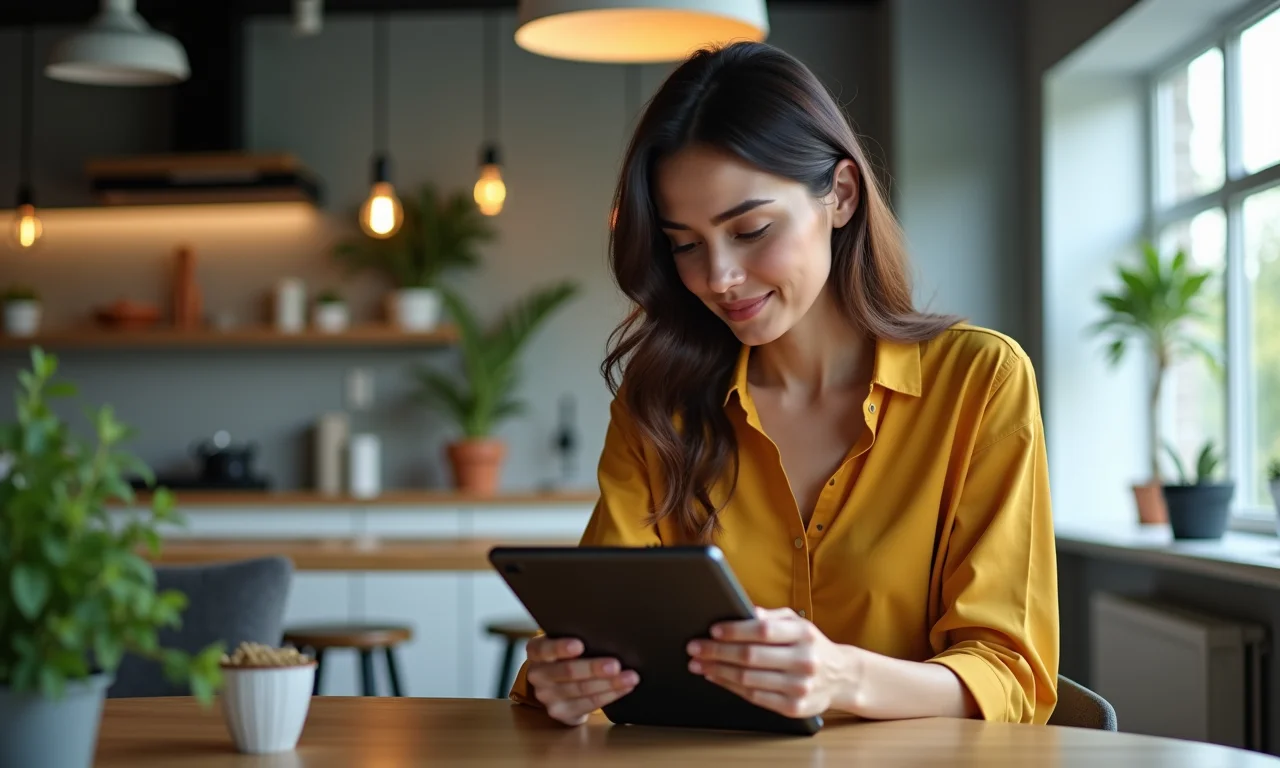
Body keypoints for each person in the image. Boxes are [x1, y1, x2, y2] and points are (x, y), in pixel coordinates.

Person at [509, 40, 1058, 727]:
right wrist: (561, 682)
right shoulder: (657, 409)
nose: (718, 277)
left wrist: (842, 677)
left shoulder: (979, 382)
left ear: (841, 196)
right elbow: (597, 640)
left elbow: (1009, 677)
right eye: (685, 244)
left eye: (751, 230)